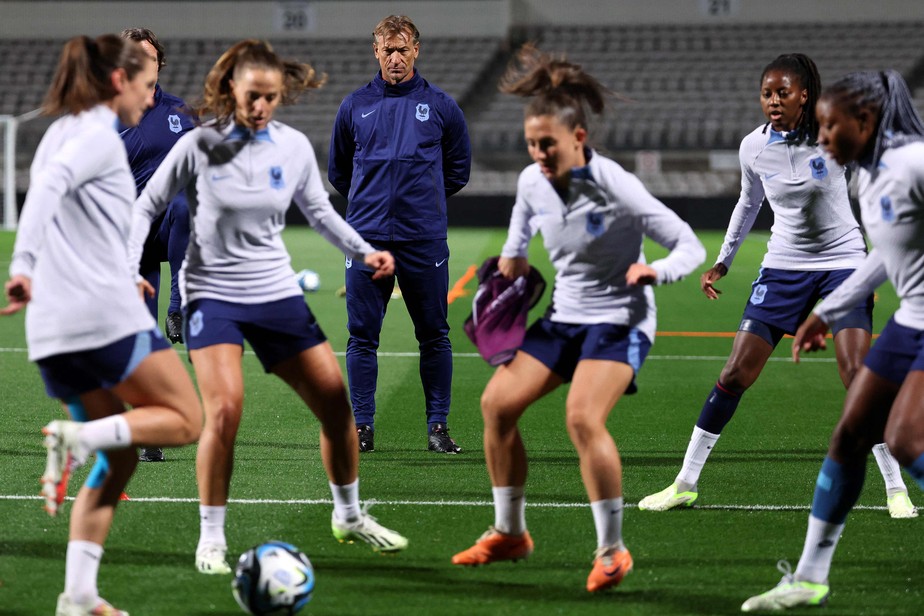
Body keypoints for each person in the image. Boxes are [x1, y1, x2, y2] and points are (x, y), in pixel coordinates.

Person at [128, 39, 408, 576]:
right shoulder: (198, 145)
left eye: (271, 98)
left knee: (335, 406)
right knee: (226, 410)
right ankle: (211, 538)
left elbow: (321, 214)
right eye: (253, 96)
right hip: (213, 293)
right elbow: (146, 207)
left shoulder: (293, 147)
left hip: (275, 292)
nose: (261, 108)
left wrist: (364, 252)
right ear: (230, 89)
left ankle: (348, 516)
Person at [450, 45, 706, 593]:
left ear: (578, 139)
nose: (539, 153)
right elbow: (516, 245)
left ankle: (613, 551)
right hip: (566, 316)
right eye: (531, 144)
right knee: (496, 405)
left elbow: (688, 243)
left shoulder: (615, 185)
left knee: (582, 417)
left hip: (621, 319)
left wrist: (657, 272)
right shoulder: (531, 181)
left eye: (549, 144)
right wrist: (509, 272)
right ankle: (510, 532)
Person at [638, 54, 916, 519]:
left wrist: (871, 269)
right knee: (734, 374)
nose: (772, 101)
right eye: (766, 93)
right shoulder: (753, 147)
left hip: (843, 261)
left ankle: (894, 487)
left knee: (855, 375)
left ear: (804, 95)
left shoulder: (832, 137)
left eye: (782, 93)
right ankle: (684, 483)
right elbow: (748, 204)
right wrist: (723, 261)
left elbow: (872, 194)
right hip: (783, 267)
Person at [2, 34, 203, 616]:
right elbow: (49, 189)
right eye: (143, 88)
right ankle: (75, 439)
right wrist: (21, 265)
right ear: (119, 81)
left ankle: (78, 594)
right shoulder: (93, 135)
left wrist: (122, 269)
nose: (148, 100)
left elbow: (82, 218)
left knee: (120, 458)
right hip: (98, 317)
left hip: (54, 331)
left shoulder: (63, 129)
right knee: (186, 420)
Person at [741, 69, 924, 611]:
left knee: (908, 439)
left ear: (863, 122)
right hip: (911, 319)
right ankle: (808, 578)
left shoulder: (913, 164)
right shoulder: (867, 177)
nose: (820, 136)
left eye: (829, 124)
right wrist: (829, 309)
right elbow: (885, 258)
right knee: (849, 436)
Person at [328, 14, 471, 454]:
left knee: (434, 334)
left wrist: (420, 200)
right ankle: (363, 427)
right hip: (366, 240)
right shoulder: (354, 105)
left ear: (416, 51)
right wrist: (374, 205)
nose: (395, 57)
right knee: (361, 336)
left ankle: (438, 428)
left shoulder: (443, 106)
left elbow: (458, 171)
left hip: (423, 238)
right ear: (376, 52)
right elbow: (339, 172)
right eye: (387, 49)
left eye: (402, 48)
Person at [120, 27, 197, 464]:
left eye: (147, 56)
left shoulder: (180, 112)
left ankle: (179, 303)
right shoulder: (109, 115)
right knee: (142, 339)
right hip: (128, 238)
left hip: (171, 225)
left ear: (159, 64)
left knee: (186, 204)